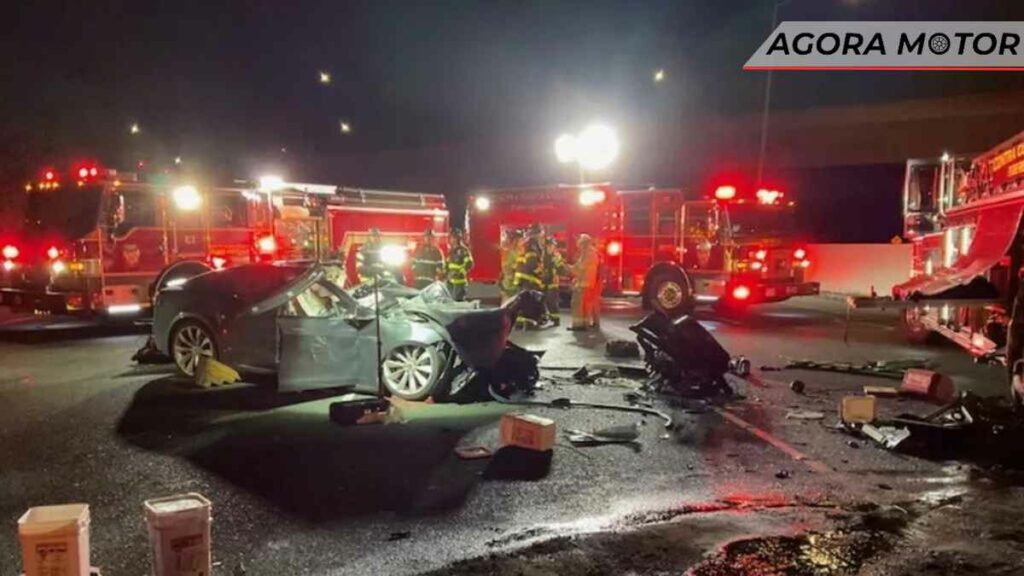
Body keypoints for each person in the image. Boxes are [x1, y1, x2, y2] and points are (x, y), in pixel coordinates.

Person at [514, 224, 545, 328]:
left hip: (523, 278)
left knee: (523, 300)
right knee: (530, 301)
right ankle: (529, 322)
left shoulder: (526, 243)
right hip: (530, 279)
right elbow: (532, 263)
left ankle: (521, 322)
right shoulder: (533, 245)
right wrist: (540, 271)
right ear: (537, 234)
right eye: (541, 233)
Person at [569, 234, 601, 331]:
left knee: (577, 304)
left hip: (583, 283)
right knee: (586, 306)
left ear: (583, 243)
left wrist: (568, 268)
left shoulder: (587, 254)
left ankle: (578, 325)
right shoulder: (591, 253)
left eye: (579, 243)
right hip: (587, 283)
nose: (578, 245)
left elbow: (580, 268)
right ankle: (584, 324)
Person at [540, 235, 568, 327]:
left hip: (553, 281)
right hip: (542, 281)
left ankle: (556, 319)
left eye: (552, 245)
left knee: (552, 301)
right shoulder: (541, 255)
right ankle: (543, 318)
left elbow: (561, 268)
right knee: (541, 300)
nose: (550, 247)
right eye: (548, 245)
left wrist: (560, 268)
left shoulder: (556, 256)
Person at [446, 228, 474, 301]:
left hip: (459, 283)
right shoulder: (451, 250)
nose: (451, 239)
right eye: (451, 237)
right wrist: (444, 273)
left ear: (457, 238)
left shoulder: (463, 250)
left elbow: (469, 263)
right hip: (450, 282)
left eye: (453, 237)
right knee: (450, 302)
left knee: (458, 303)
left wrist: (461, 272)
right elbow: (448, 264)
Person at [499, 229, 523, 305]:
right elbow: (505, 267)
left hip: (517, 284)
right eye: (520, 239)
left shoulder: (521, 251)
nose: (522, 241)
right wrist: (516, 266)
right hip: (509, 284)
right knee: (506, 304)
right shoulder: (510, 252)